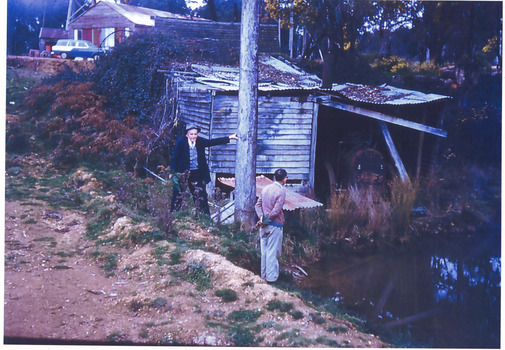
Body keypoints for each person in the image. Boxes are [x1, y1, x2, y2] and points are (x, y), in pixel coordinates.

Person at [170, 124, 237, 216]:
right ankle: (174, 214)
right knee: (178, 194)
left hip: (196, 173)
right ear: (187, 135)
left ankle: (205, 216)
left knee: (201, 195)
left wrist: (229, 138)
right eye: (192, 134)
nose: (194, 136)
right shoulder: (181, 143)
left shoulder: (200, 141)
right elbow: (175, 157)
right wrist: (172, 172)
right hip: (183, 173)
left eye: (195, 134)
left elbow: (212, 142)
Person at [254, 168, 288, 283]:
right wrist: (266, 220)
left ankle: (263, 277)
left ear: (274, 178)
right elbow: (276, 211)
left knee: (264, 252)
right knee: (272, 253)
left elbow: (257, 206)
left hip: (263, 226)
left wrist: (261, 218)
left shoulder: (265, 189)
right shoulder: (281, 191)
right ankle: (271, 280)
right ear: (285, 179)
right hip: (275, 226)